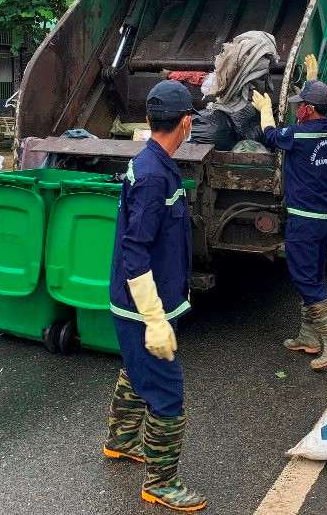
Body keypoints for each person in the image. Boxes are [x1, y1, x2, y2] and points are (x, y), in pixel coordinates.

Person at [103, 80, 205, 512]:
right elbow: (135, 250)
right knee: (167, 393)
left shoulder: (155, 164)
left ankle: (122, 440)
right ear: (185, 122)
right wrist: (154, 317)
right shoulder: (150, 176)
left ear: (148, 119)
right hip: (146, 307)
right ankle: (160, 482)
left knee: (134, 368)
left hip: (155, 302)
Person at [251, 54, 327, 371]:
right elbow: (310, 118)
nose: (297, 108)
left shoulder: (300, 135)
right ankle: (310, 337)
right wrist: (311, 80)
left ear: (308, 109)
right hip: (324, 217)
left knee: (304, 277)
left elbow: (271, 136)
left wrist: (265, 111)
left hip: (305, 220)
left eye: (301, 104)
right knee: (313, 274)